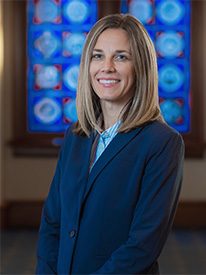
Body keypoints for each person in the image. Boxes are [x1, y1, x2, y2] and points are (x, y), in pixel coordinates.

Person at [36, 14, 184, 274]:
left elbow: (143, 245)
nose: (107, 67)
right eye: (97, 56)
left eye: (121, 56)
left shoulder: (162, 142)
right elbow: (53, 223)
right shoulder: (76, 136)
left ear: (141, 66)